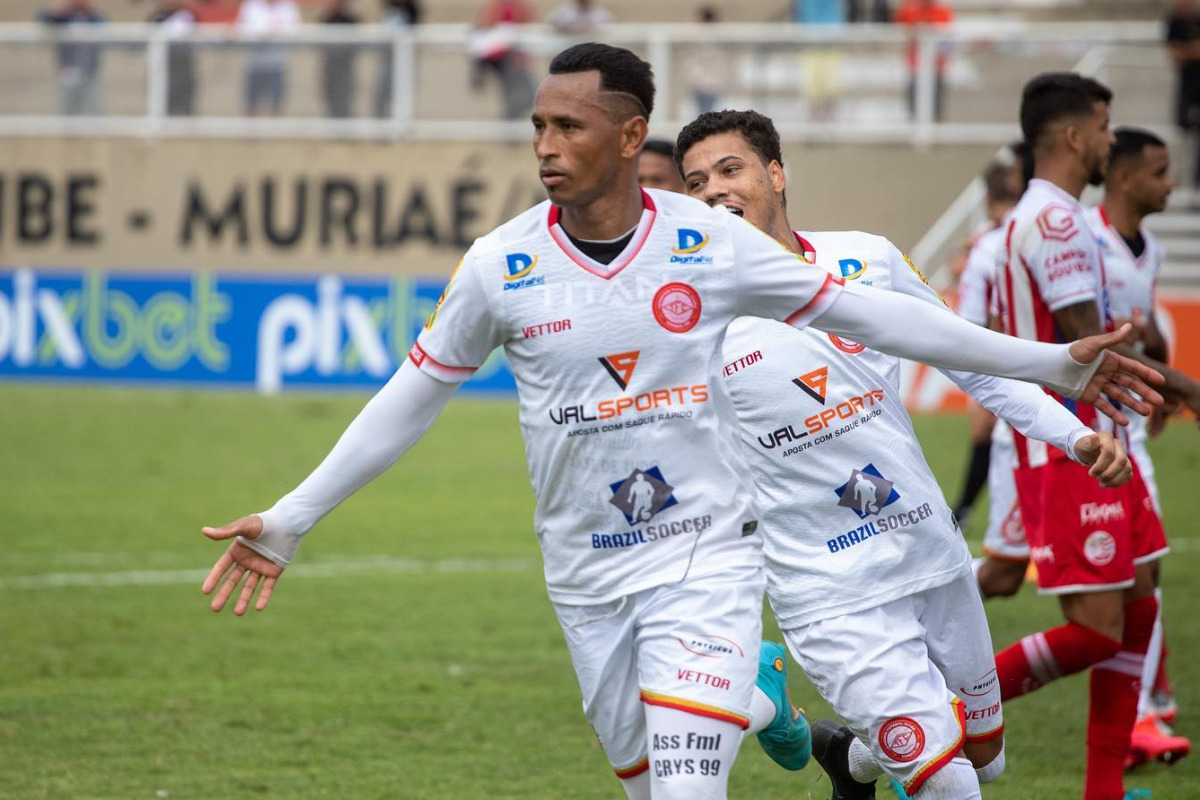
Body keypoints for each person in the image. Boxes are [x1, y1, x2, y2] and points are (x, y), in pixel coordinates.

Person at [200, 45, 1161, 800]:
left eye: (567, 126)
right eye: (536, 125)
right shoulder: (501, 265)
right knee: (668, 780)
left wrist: (1050, 370)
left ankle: (805, 730)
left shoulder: (722, 251)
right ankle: (779, 712)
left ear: (630, 138)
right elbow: (412, 395)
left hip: (729, 566)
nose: (544, 145)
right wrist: (292, 517)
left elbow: (899, 322)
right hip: (603, 577)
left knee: (851, 778)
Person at [675, 108, 1130, 800]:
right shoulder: (687, 320)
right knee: (949, 783)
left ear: (775, 173)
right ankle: (883, 747)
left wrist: (1073, 434)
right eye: (695, 182)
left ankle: (851, 758)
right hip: (828, 594)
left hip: (929, 554)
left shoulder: (867, 259)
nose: (713, 190)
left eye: (729, 170)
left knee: (984, 759)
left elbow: (967, 361)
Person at [992, 72, 1200, 800]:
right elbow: (1087, 341)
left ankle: (1104, 790)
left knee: (1141, 600)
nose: (1113, 140)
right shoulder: (1051, 221)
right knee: (1098, 629)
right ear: (1076, 135)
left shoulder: (1066, 218)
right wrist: (1186, 388)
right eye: (1106, 127)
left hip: (1103, 440)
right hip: (1066, 444)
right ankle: (940, 718)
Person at [1084, 127, 1190, 768]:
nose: (1170, 183)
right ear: (1123, 177)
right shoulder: (1084, 241)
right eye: (1159, 171)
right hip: (1089, 435)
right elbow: (1087, 342)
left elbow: (1139, 339)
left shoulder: (1145, 250)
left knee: (1144, 573)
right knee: (1112, 590)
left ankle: (1147, 706)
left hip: (1130, 428)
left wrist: (1160, 382)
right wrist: (1184, 387)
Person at [951, 147, 1028, 535]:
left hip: (994, 350)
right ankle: (966, 511)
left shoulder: (991, 240)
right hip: (1026, 351)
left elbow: (966, 287)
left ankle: (968, 513)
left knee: (989, 434)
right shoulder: (1000, 236)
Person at [470, 0, 536, 120]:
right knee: (516, 95)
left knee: (527, 95)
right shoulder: (495, 6)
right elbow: (484, 26)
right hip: (502, 57)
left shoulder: (515, 6)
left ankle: (508, 122)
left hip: (512, 55)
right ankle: (507, 124)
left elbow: (526, 25)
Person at [38, 0, 106, 116]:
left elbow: (104, 26)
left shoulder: (93, 17)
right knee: (64, 112)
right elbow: (43, 18)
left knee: (94, 112)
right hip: (67, 72)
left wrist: (93, 11)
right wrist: (59, 11)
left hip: (89, 72)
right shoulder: (63, 17)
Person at [237, 0, 301, 116]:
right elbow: (242, 29)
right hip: (254, 64)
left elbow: (294, 30)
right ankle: (250, 132)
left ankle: (276, 132)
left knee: (277, 105)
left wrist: (276, 32)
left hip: (278, 64)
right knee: (251, 105)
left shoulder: (287, 5)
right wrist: (263, 32)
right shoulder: (251, 5)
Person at [895, 0, 953, 122]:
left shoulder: (942, 11)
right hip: (915, 64)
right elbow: (899, 25)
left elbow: (947, 39)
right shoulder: (910, 9)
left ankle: (935, 127)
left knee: (936, 101)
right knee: (913, 101)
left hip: (936, 66)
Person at [1166, 0, 1200, 195]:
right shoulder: (1175, 22)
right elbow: (1175, 54)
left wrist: (1186, 50)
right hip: (1187, 89)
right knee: (1184, 130)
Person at [148, 0, 198, 116]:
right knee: (162, 104)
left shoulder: (187, 16)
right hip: (160, 69)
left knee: (184, 107)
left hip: (182, 69)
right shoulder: (157, 17)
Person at [374, 0, 421, 118]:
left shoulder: (411, 11)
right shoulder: (388, 10)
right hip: (387, 61)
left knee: (402, 96)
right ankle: (382, 127)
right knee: (381, 96)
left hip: (405, 63)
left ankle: (401, 125)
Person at [320, 0, 361, 119]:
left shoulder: (351, 19)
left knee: (345, 94)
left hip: (345, 64)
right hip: (330, 63)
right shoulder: (328, 18)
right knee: (330, 93)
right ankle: (334, 122)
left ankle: (346, 122)